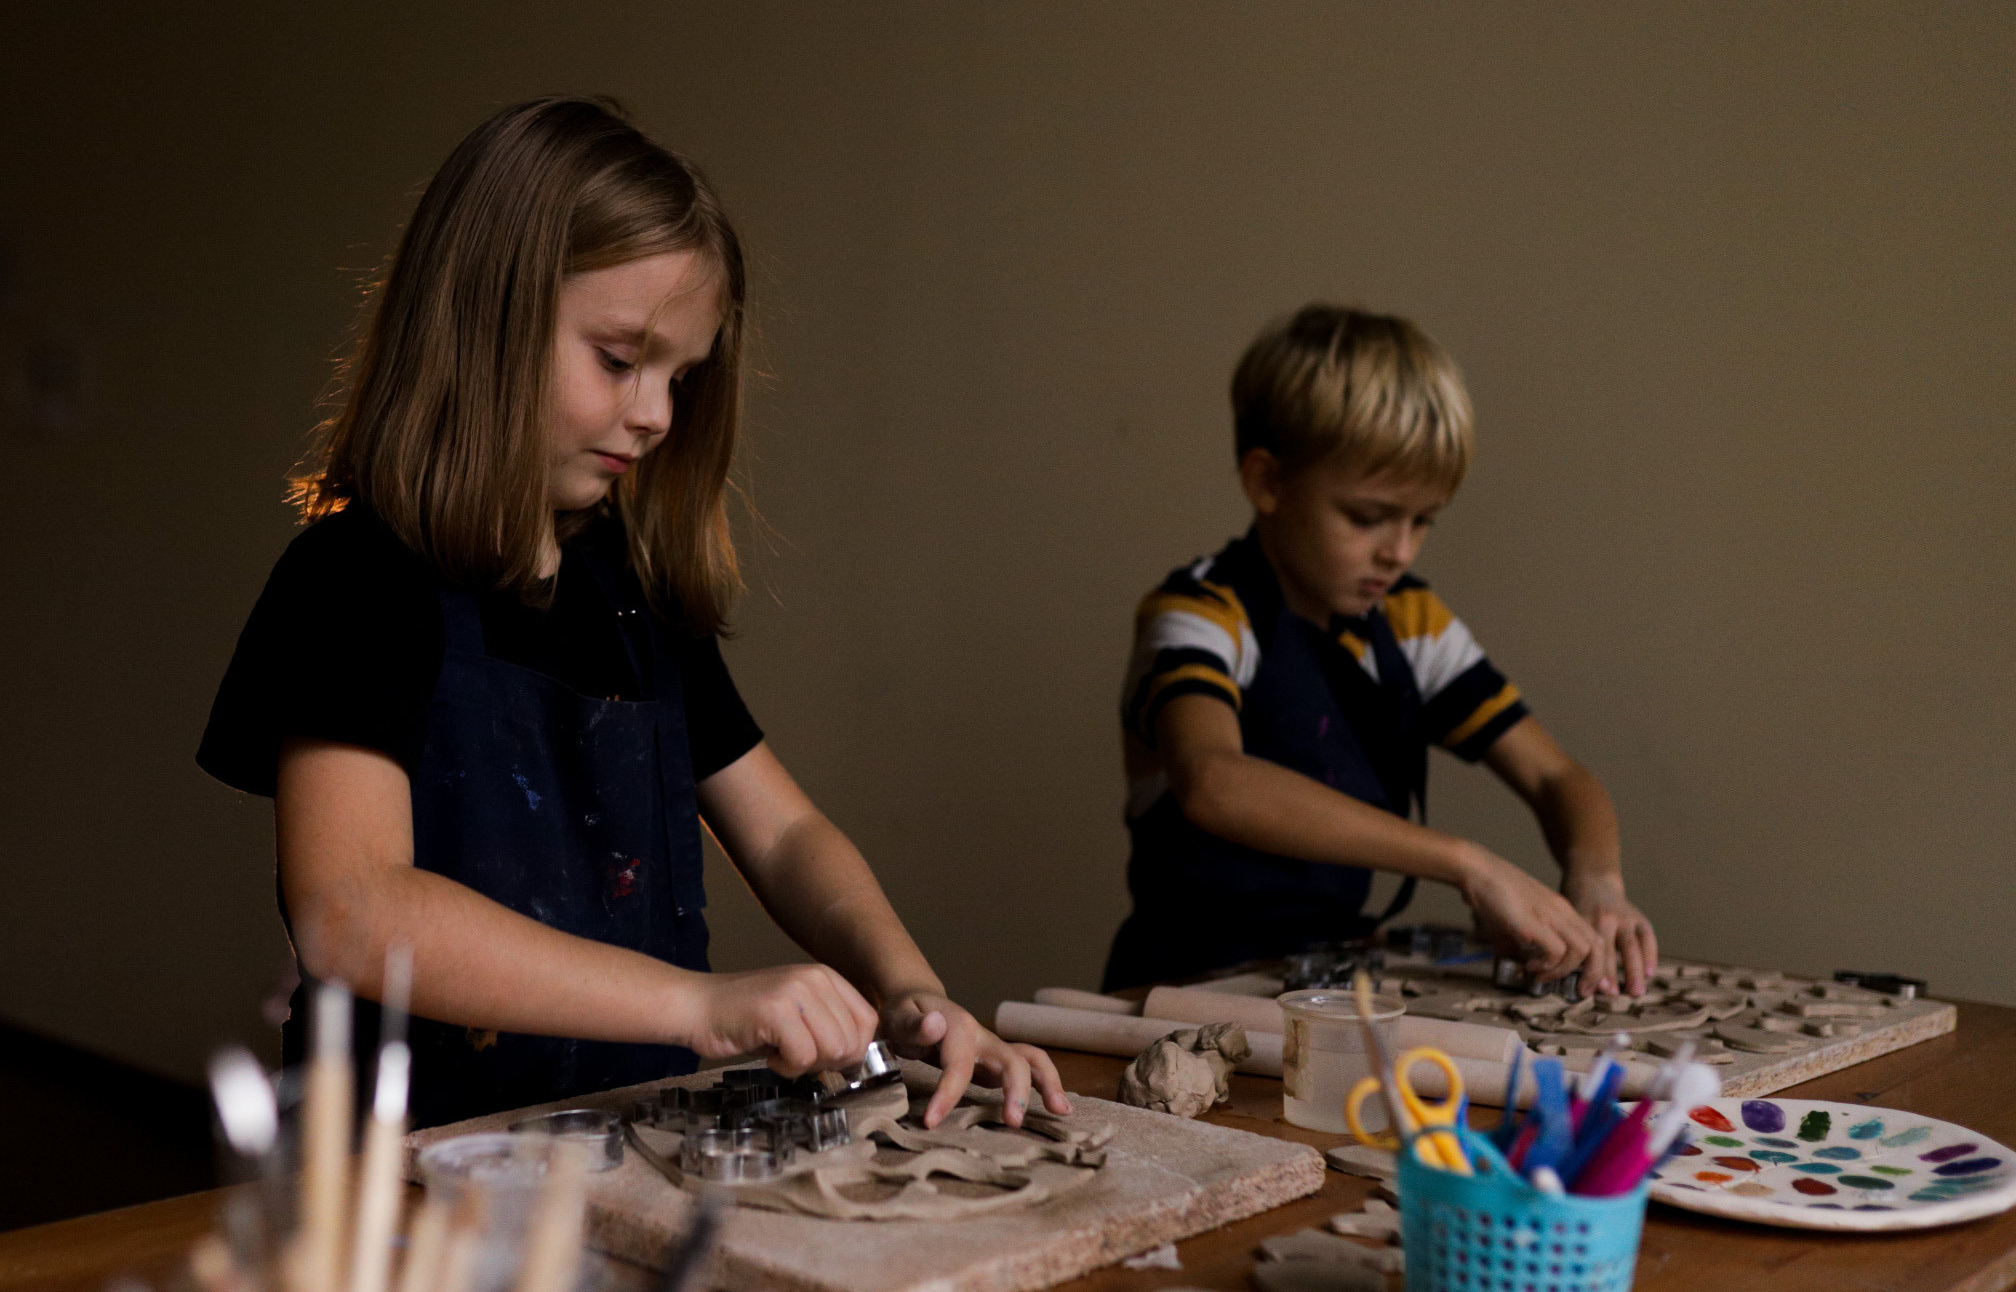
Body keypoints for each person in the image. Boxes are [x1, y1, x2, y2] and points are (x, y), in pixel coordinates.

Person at [200, 97, 1065, 1130]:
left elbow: (786, 834)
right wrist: (700, 1005)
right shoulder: (356, 581)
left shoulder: (631, 588)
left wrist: (911, 989)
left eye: (679, 378)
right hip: (408, 1169)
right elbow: (353, 911)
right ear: (485, 321)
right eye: (618, 360)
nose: (655, 414)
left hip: (629, 1147)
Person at [1106, 304, 1658, 998]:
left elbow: (1557, 779)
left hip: (1324, 985)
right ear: (1267, 482)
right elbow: (1213, 781)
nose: (1399, 551)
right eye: (1367, 518)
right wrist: (1469, 864)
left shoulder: (1408, 622)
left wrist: (1598, 879)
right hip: (1181, 988)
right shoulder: (1201, 612)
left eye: (1423, 521)